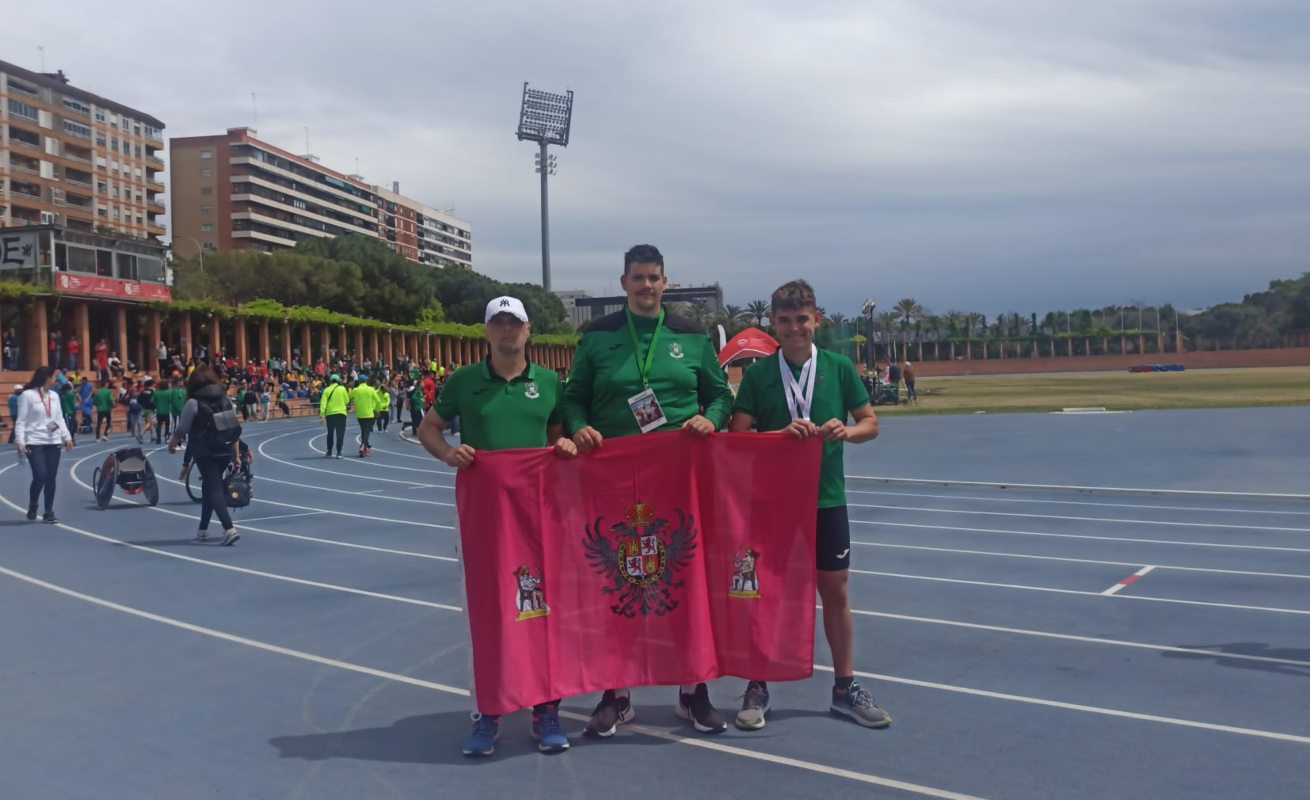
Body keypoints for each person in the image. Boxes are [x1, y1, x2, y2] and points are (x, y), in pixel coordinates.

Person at [560, 243, 734, 737]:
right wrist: (577, 427)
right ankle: (615, 697)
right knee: (615, 585)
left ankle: (692, 692)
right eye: (637, 278)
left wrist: (711, 417)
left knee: (684, 580)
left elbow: (719, 394)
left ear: (665, 281)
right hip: (611, 478)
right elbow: (574, 398)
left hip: (679, 477)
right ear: (623, 284)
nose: (646, 286)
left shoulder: (690, 333)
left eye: (654, 278)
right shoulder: (596, 336)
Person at [418, 296, 577, 757]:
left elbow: (557, 437)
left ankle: (546, 709)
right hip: (483, 516)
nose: (507, 331)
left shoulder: (549, 383)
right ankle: (486, 713)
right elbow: (431, 427)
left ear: (529, 332)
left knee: (543, 611)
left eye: (515, 323)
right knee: (487, 614)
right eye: (499, 323)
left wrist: (564, 445)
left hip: (538, 516)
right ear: (486, 331)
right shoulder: (465, 382)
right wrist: (448, 453)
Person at [728, 279, 890, 731]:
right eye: (785, 320)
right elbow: (739, 437)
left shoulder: (838, 368)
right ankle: (758, 684)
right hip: (773, 504)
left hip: (826, 499)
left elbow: (871, 424)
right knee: (766, 595)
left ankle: (844, 688)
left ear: (816, 320)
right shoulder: (759, 375)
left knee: (835, 593)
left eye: (802, 319)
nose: (795, 328)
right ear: (773, 324)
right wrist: (776, 438)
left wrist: (845, 431)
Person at [169, 367, 241, 546]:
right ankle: (203, 529)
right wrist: (236, 454)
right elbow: (232, 429)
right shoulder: (225, 399)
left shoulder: (193, 403)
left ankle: (229, 528)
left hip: (206, 450)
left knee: (213, 486)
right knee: (209, 486)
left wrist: (173, 443)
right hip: (225, 449)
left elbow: (182, 429)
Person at [14, 366, 74, 523]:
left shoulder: (54, 396)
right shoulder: (28, 395)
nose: (56, 380)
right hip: (34, 442)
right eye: (55, 377)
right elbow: (20, 421)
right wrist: (20, 442)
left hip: (53, 441)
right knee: (40, 476)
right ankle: (33, 504)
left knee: (51, 478)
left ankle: (48, 512)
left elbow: (59, 419)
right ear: (46, 378)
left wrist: (66, 436)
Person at [319, 373, 349, 458]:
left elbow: (323, 403)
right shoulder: (342, 389)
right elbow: (347, 401)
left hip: (330, 414)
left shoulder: (326, 390)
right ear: (338, 380)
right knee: (340, 433)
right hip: (341, 414)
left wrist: (322, 416)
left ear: (330, 381)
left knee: (330, 433)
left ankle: (329, 451)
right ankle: (339, 452)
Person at [350, 376, 378, 457]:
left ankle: (365, 448)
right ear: (366, 381)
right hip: (369, 414)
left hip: (360, 414)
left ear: (359, 381)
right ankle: (362, 446)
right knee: (367, 431)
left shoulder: (355, 390)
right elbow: (378, 400)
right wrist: (378, 410)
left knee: (363, 430)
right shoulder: (371, 389)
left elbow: (348, 398)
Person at [8, 384, 24, 462]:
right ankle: (12, 440)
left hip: (15, 414)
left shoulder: (13, 397)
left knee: (16, 427)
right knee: (16, 427)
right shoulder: (15, 398)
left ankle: (12, 440)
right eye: (19, 390)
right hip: (16, 414)